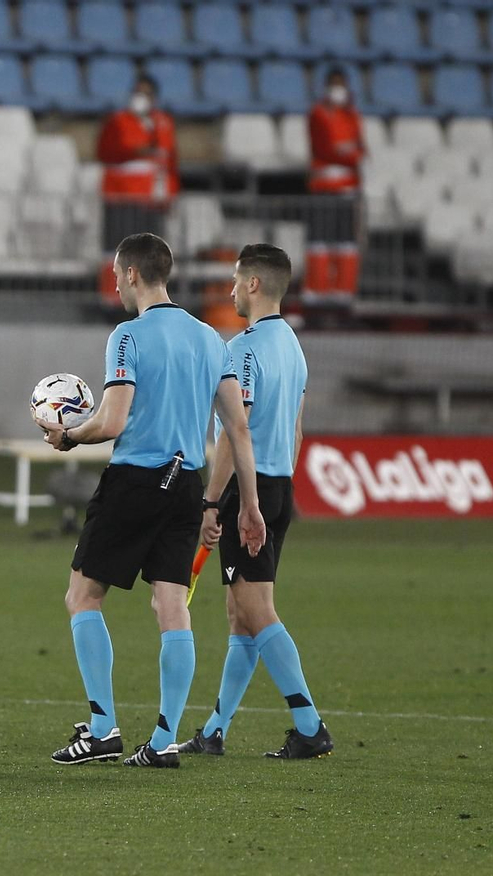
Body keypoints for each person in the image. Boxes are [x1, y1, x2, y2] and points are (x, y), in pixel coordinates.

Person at [41, 232, 265, 769]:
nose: (116, 284)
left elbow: (113, 421)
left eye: (118, 275)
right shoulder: (212, 338)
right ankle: (163, 740)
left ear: (133, 274)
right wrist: (245, 505)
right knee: (172, 607)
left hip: (137, 480)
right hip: (186, 485)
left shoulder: (128, 336)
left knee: (82, 596)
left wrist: (68, 435)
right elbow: (238, 427)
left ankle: (101, 730)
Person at [175, 244, 333, 760]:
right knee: (239, 614)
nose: (230, 290)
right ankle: (216, 730)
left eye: (236, 281)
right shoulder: (293, 347)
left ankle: (309, 725)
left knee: (255, 609)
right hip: (279, 484)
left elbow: (233, 431)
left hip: (251, 489)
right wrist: (276, 487)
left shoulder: (242, 349)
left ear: (255, 286)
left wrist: (213, 501)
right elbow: (296, 428)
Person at [97, 77, 179, 267]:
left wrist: (171, 195)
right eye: (137, 92)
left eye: (145, 93)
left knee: (149, 253)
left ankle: (148, 296)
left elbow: (170, 162)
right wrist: (135, 152)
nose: (140, 97)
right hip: (120, 199)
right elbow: (105, 153)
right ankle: (112, 296)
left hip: (152, 201)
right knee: (117, 252)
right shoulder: (117, 122)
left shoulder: (164, 124)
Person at [306, 67, 365, 305]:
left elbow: (360, 149)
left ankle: (343, 293)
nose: (338, 90)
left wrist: (347, 151)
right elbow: (325, 148)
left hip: (348, 190)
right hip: (323, 189)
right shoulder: (318, 114)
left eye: (342, 84)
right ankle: (317, 293)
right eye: (334, 84)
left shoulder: (352, 115)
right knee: (320, 241)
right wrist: (347, 152)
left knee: (346, 243)